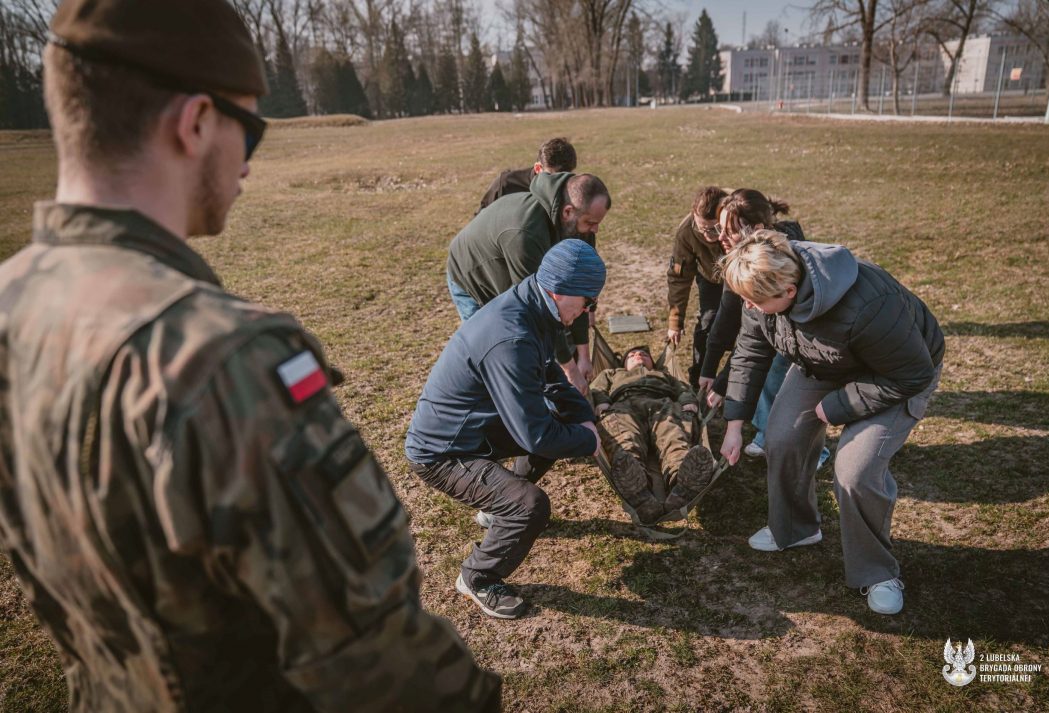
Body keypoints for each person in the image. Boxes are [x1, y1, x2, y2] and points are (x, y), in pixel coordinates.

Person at [0, 1, 500, 710]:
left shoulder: (12, 302)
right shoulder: (220, 359)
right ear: (196, 122)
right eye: (251, 129)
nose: (248, 162)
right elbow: (380, 659)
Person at [718, 230, 944, 616]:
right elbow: (750, 352)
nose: (748, 306)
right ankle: (795, 529)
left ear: (789, 291)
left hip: (896, 373)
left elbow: (912, 373)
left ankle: (877, 572)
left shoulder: (869, 302)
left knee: (856, 471)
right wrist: (735, 423)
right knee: (781, 437)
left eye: (754, 301)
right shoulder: (760, 292)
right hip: (823, 359)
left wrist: (838, 405)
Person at [407, 240, 605, 619]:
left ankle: (498, 508)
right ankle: (477, 577)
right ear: (561, 290)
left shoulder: (534, 306)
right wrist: (587, 440)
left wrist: (582, 416)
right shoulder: (512, 337)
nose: (588, 311)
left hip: (474, 427)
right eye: (588, 301)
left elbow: (550, 374)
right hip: (442, 452)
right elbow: (536, 436)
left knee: (557, 428)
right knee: (531, 505)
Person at [699, 188, 830, 470]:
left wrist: (722, 381)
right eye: (719, 229)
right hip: (775, 334)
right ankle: (766, 432)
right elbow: (732, 325)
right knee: (766, 375)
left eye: (728, 231)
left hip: (803, 337)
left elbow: (758, 346)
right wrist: (711, 373)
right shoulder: (740, 259)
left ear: (756, 229)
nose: (721, 237)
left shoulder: (781, 262)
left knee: (786, 382)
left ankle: (813, 450)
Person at [447, 171, 611, 395]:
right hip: (472, 275)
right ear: (568, 212)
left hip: (510, 270)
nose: (595, 230)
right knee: (498, 350)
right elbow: (539, 308)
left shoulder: (579, 227)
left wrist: (584, 355)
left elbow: (579, 289)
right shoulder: (526, 232)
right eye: (590, 222)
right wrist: (570, 369)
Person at [591, 346, 717, 525]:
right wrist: (602, 402)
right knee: (624, 439)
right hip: (625, 404)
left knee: (673, 435)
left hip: (663, 403)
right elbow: (596, 389)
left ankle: (681, 483)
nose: (638, 356)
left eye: (644, 354)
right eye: (632, 355)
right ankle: (637, 489)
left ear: (652, 361)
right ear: (623, 363)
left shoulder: (664, 374)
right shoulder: (611, 373)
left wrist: (687, 401)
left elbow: (683, 389)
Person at [666, 185, 729, 388]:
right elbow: (679, 278)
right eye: (703, 229)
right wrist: (675, 322)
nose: (710, 235)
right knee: (708, 323)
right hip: (711, 278)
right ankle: (699, 379)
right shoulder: (686, 232)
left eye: (715, 228)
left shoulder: (737, 219)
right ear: (694, 214)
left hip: (743, 278)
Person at [477, 137, 577, 212]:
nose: (559, 183)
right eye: (553, 177)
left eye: (565, 177)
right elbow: (480, 221)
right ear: (538, 168)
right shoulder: (506, 185)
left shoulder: (572, 192)